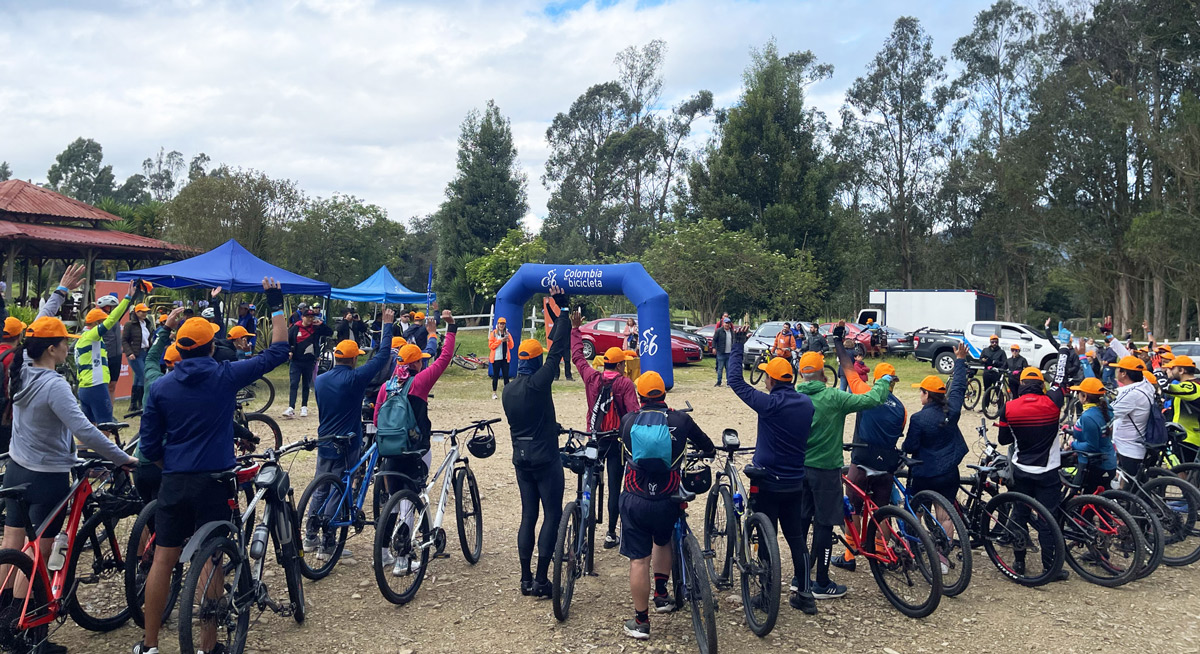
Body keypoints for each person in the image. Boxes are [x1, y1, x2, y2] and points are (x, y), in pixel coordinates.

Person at [133, 278, 289, 654]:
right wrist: (275, 300)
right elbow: (280, 349)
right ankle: (207, 645)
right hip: (214, 481)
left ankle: (149, 644)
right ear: (211, 348)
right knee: (212, 559)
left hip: (173, 480)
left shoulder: (161, 387)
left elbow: (150, 446)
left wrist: (172, 465)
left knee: (163, 561)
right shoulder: (225, 375)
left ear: (180, 351)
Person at [1, 314, 139, 654]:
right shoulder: (54, 385)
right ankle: (24, 632)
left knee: (13, 547)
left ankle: (4, 618)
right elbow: (85, 432)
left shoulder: (19, 371)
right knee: (38, 555)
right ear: (52, 349)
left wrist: (61, 293)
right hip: (45, 478)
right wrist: (123, 457)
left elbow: (34, 325)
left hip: (17, 470)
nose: (69, 346)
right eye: (65, 342)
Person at [618, 371, 716, 640]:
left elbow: (622, 452)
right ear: (664, 394)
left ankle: (641, 622)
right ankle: (662, 595)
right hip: (668, 496)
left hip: (635, 497)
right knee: (663, 542)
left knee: (639, 559)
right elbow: (707, 447)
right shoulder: (680, 419)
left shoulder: (628, 421)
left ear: (639, 396)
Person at [727, 327, 818, 614]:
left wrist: (738, 344)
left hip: (768, 481)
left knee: (765, 538)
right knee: (796, 540)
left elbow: (735, 381)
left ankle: (766, 596)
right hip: (795, 481)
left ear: (770, 379)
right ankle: (805, 595)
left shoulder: (769, 404)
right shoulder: (806, 404)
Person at [793, 347, 890, 600]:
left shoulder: (793, 397)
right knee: (825, 524)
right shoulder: (833, 398)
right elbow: (871, 400)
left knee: (802, 523)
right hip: (826, 470)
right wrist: (884, 383)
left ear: (801, 374)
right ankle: (822, 583)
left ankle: (799, 577)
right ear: (823, 374)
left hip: (799, 470)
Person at [305, 310, 395, 560]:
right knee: (341, 486)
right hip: (347, 442)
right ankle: (329, 542)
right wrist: (387, 327)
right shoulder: (355, 378)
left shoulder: (320, 380)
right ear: (355, 359)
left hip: (324, 439)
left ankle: (310, 536)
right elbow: (383, 357)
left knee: (321, 486)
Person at [372, 312, 455, 574]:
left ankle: (384, 552)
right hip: (415, 450)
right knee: (409, 502)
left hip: (389, 451)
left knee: (393, 503)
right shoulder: (419, 382)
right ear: (416, 364)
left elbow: (377, 417)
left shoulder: (388, 386)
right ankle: (403, 560)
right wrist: (449, 330)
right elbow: (443, 359)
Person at [502, 284, 570, 598]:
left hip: (521, 458)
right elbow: (558, 347)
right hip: (546, 459)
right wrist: (563, 309)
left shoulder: (508, 390)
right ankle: (543, 578)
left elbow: (530, 417)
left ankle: (525, 578)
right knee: (552, 514)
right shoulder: (540, 383)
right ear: (537, 359)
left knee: (528, 516)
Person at [995, 358, 1070, 582]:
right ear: (1041, 386)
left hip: (1021, 469)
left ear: (1020, 386)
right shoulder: (1053, 402)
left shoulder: (1009, 408)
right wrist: (1064, 350)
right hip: (1048, 470)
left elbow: (1003, 439)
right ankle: (1050, 567)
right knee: (1048, 519)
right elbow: (1061, 378)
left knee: (1020, 514)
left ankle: (1019, 562)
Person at [570, 311, 640, 549]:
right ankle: (611, 533)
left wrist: (575, 330)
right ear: (620, 364)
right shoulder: (625, 383)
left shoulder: (592, 377)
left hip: (594, 437)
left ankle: (583, 528)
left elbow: (578, 358)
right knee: (614, 487)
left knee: (589, 482)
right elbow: (633, 414)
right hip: (616, 441)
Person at [835, 362, 906, 573]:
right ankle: (882, 555)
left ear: (876, 380)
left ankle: (850, 555)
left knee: (852, 507)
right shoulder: (901, 408)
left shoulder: (867, 394)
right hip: (886, 466)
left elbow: (850, 375)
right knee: (882, 511)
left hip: (862, 461)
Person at [902, 344, 969, 567]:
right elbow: (958, 387)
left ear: (926, 395)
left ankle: (912, 550)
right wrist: (960, 361)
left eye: (920, 391)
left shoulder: (919, 420)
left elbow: (911, 445)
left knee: (916, 511)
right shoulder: (953, 410)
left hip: (924, 473)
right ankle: (942, 557)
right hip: (949, 470)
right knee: (946, 515)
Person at [132, 307, 186, 503]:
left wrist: (165, 328)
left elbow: (152, 357)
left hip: (141, 460)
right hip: (165, 463)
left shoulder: (153, 378)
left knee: (145, 518)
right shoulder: (185, 390)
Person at [76, 288, 138, 424]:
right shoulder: (92, 334)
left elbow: (115, 317)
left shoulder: (86, 336)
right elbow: (111, 319)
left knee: (88, 427)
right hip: (95, 382)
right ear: (96, 323)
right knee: (106, 426)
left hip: (87, 383)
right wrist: (127, 297)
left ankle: (84, 445)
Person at [1068, 377, 1118, 492]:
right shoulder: (1106, 409)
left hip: (1095, 465)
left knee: (1080, 498)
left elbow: (1091, 446)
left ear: (1084, 396)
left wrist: (1073, 444)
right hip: (1109, 460)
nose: (1077, 396)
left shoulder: (1088, 417)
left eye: (1078, 393)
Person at [1109, 354, 1155, 477]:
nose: (1116, 371)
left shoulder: (1132, 394)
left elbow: (1109, 413)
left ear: (1124, 374)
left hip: (1129, 448)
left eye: (1119, 369)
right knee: (1132, 486)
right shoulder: (1145, 387)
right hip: (1137, 444)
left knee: (1131, 492)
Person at [284, 308, 332, 418]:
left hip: (309, 361)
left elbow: (329, 332)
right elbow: (288, 341)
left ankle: (304, 406)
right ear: (303, 317)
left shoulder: (316, 329)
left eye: (312, 317)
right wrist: (289, 351)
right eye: (308, 317)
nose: (310, 319)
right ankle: (291, 407)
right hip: (296, 360)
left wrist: (321, 324)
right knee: (293, 383)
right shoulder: (295, 328)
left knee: (306, 384)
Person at [1163, 356, 1200, 462]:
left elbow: (1166, 388)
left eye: (1172, 368)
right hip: (1185, 436)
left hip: (1188, 437)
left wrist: (1159, 372)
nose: (1168, 371)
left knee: (1181, 471)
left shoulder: (1191, 386)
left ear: (1181, 370)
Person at [122, 302, 155, 412]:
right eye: (143, 312)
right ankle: (142, 404)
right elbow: (124, 340)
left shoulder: (147, 323)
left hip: (145, 352)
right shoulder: (129, 325)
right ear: (137, 312)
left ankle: (134, 404)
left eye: (146, 312)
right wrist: (129, 352)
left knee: (138, 379)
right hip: (135, 354)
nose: (145, 314)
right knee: (144, 377)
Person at [95, 293, 124, 406]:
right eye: (113, 307)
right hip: (105, 355)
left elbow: (124, 308)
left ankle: (110, 413)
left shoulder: (115, 318)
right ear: (107, 307)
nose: (115, 309)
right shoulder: (99, 320)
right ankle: (103, 412)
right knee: (104, 386)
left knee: (112, 385)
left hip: (117, 355)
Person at [542, 297, 573, 381]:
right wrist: (548, 304)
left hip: (566, 344)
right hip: (559, 344)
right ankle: (556, 376)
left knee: (567, 361)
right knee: (557, 361)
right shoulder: (558, 320)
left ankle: (568, 376)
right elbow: (551, 313)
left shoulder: (568, 321)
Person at [488, 317, 514, 399]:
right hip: (496, 358)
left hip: (505, 358)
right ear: (497, 324)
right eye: (500, 324)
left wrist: (508, 340)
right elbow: (491, 346)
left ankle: (507, 393)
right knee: (496, 376)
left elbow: (511, 346)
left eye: (503, 324)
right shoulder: (493, 334)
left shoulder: (508, 334)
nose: (501, 325)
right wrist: (500, 341)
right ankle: (494, 392)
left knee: (506, 376)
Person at [980, 335, 1007, 412]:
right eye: (993, 342)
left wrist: (995, 362)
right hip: (987, 372)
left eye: (996, 342)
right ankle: (985, 407)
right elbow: (980, 359)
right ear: (990, 342)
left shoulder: (1001, 352)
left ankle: (1000, 408)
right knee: (987, 390)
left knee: (998, 390)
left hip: (996, 373)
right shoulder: (985, 350)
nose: (994, 343)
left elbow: (1004, 363)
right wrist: (983, 360)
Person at [712, 318, 734, 387]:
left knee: (729, 368)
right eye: (726, 323)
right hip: (721, 352)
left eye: (728, 323)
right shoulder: (719, 331)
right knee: (720, 368)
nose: (727, 325)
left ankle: (729, 382)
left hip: (729, 353)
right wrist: (714, 348)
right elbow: (714, 340)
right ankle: (719, 382)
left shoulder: (732, 332)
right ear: (723, 324)